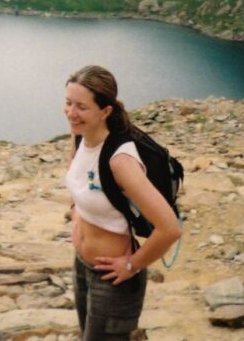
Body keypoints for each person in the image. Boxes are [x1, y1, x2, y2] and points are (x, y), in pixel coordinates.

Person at [64, 65, 182, 339]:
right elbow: (76, 176)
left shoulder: (121, 161)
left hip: (113, 278)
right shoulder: (80, 135)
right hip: (82, 264)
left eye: (81, 107)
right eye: (68, 103)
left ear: (105, 111)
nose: (71, 113)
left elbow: (170, 228)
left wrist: (132, 265)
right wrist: (76, 213)